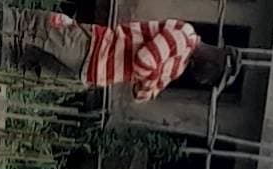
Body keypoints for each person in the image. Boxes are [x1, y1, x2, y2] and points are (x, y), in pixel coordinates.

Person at [31, 10, 230, 102]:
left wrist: (150, 78)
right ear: (213, 63)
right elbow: (143, 61)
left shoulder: (180, 66)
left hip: (88, 73)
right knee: (27, 29)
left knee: (18, 58)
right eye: (209, 80)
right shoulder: (183, 37)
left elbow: (140, 95)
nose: (202, 81)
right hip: (88, 48)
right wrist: (152, 77)